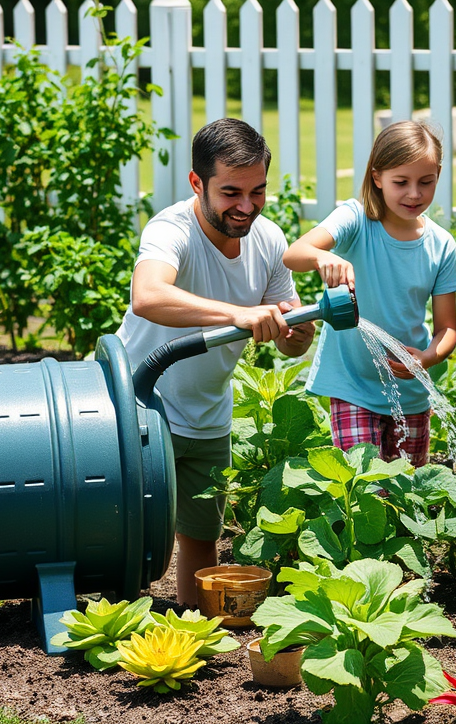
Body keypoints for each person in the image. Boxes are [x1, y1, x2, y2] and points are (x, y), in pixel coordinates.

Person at [116, 118, 315, 607]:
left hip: (208, 416)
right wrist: (240, 314)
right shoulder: (172, 228)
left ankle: (194, 637)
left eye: (258, 191)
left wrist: (298, 332)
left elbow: (288, 344)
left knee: (201, 541)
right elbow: (148, 295)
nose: (246, 206)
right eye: (231, 192)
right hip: (139, 409)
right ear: (196, 183)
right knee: (125, 540)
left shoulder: (268, 240)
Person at [283, 120, 456, 467]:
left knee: (407, 496)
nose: (414, 194)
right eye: (401, 182)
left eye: (425, 182)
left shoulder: (441, 245)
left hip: (409, 391)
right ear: (377, 176)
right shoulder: (355, 220)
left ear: (438, 175)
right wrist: (324, 256)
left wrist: (425, 359)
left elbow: (448, 329)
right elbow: (294, 254)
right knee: (363, 489)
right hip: (352, 384)